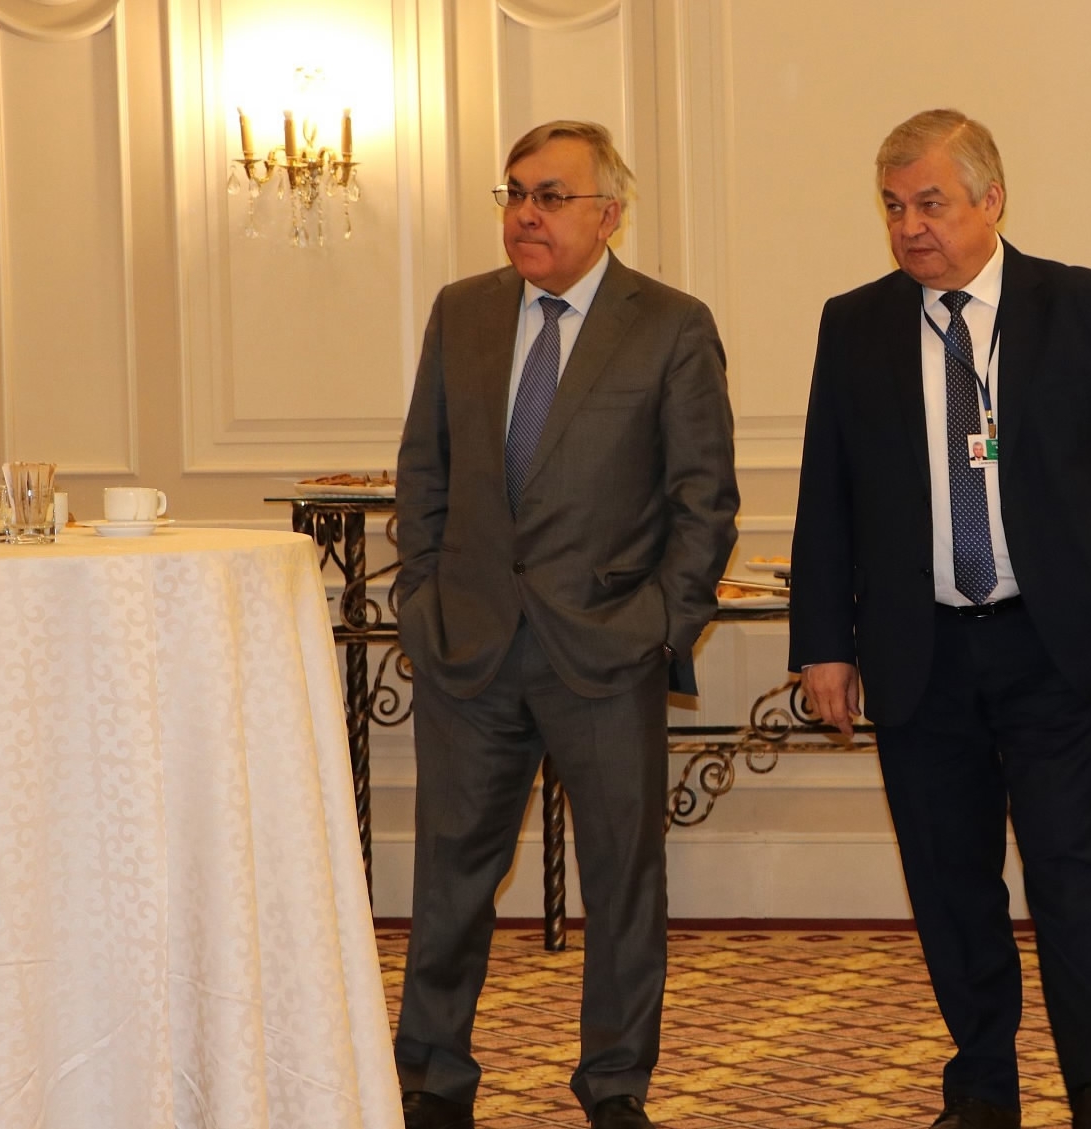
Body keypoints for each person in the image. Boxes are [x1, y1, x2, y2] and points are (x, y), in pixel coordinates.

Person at [788, 109, 1091, 1129]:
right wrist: (824, 644)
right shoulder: (854, 324)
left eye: (930, 203)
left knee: (1071, 875)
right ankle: (981, 1087)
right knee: (950, 881)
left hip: (1051, 645)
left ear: (990, 199)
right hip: (918, 651)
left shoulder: (1084, 306)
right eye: (892, 207)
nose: (909, 227)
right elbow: (826, 495)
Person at [390, 119, 738, 1129]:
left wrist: (660, 624)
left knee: (622, 878)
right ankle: (432, 1076)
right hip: (469, 645)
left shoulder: (669, 325)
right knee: (450, 873)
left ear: (608, 213)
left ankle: (614, 1084)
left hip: (606, 650)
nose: (526, 214)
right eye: (514, 193)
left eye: (550, 195)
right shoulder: (461, 311)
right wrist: (421, 598)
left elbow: (703, 499)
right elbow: (423, 471)